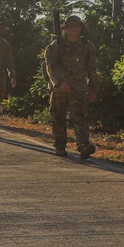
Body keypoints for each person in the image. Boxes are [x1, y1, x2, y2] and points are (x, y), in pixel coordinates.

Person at [44, 15, 98, 159]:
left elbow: (91, 69)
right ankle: (60, 146)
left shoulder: (87, 46)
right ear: (66, 28)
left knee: (80, 117)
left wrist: (93, 88)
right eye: (71, 26)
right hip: (59, 88)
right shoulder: (56, 45)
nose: (75, 28)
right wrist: (60, 82)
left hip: (79, 87)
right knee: (58, 117)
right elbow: (50, 66)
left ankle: (83, 146)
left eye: (77, 26)